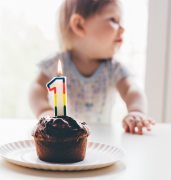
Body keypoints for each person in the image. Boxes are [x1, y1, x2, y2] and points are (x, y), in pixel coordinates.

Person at [29, 0, 155, 135]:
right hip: (65, 137)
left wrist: (136, 111)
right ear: (79, 25)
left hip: (102, 138)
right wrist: (44, 111)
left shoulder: (113, 68)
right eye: (113, 20)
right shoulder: (57, 63)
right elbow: (37, 87)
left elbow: (132, 90)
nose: (122, 28)